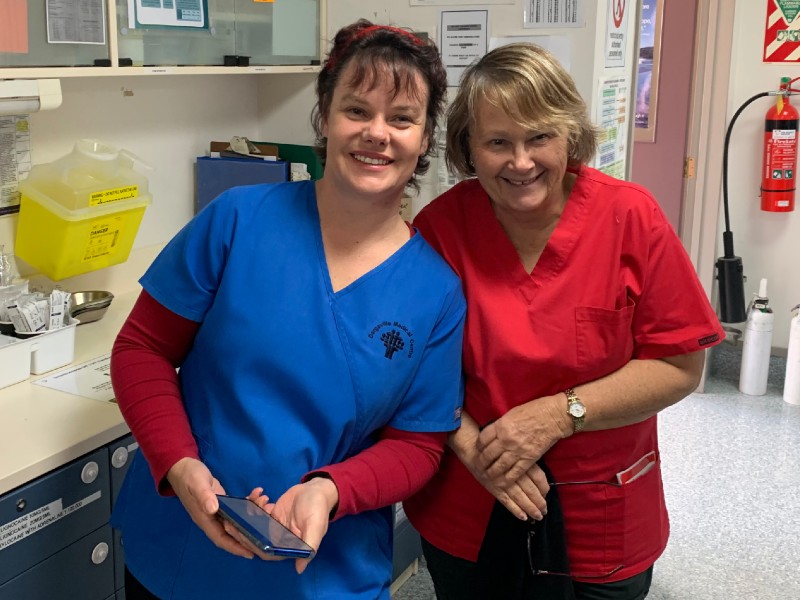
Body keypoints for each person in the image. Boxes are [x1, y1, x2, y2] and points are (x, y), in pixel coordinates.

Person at [109, 19, 464, 600]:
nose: (377, 133)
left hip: (325, 567)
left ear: (425, 139)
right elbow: (141, 349)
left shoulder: (436, 292)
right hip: (183, 549)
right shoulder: (237, 220)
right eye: (356, 110)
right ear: (325, 117)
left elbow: (418, 445)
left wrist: (330, 489)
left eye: (402, 118)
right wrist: (177, 463)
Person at [404, 42, 725, 600]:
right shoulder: (439, 229)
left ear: (569, 136)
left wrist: (558, 414)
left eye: (539, 137)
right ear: (467, 148)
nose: (521, 162)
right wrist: (479, 452)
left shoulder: (629, 217)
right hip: (470, 502)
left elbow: (679, 366)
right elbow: (409, 373)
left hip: (600, 512)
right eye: (497, 142)